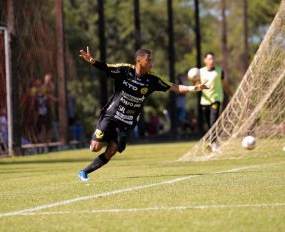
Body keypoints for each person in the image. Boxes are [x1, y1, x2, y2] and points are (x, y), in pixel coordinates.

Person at [77, 47, 208, 181]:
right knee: (95, 148)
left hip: (127, 121)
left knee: (111, 151)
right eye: (148, 60)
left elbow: (174, 87)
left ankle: (84, 172)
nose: (151, 63)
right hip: (112, 114)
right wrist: (92, 61)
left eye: (152, 60)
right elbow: (106, 67)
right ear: (139, 60)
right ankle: (102, 136)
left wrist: (195, 88)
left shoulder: (152, 79)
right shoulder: (125, 70)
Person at [195, 52, 231, 146]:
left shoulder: (219, 71)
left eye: (213, 59)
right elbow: (197, 85)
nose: (212, 61)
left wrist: (230, 93)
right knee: (208, 123)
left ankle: (213, 143)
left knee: (213, 121)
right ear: (205, 60)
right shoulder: (200, 72)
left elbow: (224, 84)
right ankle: (213, 140)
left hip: (216, 99)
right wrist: (193, 80)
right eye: (209, 59)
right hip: (205, 100)